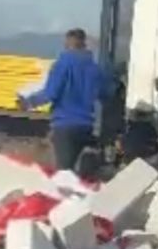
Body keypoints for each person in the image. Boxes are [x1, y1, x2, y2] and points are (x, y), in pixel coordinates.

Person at [18, 28, 112, 171]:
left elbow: (51, 93)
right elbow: (105, 94)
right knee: (80, 175)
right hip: (87, 128)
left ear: (67, 44)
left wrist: (28, 102)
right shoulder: (95, 69)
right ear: (84, 44)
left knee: (64, 175)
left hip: (65, 126)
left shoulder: (62, 65)